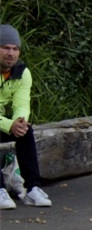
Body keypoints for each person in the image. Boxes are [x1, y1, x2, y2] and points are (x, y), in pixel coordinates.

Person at [0, 24, 52, 208]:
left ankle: (32, 189)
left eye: (15, 49)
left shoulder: (22, 72)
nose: (11, 53)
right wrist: (9, 125)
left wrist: (19, 122)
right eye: (5, 48)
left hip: (3, 122)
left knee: (25, 131)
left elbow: (22, 103)